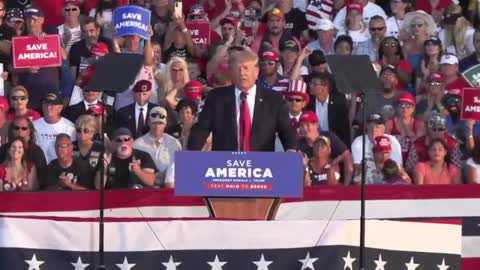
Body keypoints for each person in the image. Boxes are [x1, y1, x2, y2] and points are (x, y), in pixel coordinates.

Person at [188, 46, 297, 151]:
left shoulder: (273, 99)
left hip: (261, 165)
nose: (242, 73)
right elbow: (201, 129)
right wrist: (192, 152)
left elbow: (286, 130)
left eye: (246, 68)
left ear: (256, 72)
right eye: (237, 69)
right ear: (230, 72)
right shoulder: (216, 97)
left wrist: (291, 149)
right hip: (225, 165)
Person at [298, 111, 354, 185]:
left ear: (317, 125)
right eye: (302, 125)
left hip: (332, 181)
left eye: (308, 125)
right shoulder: (298, 145)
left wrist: (346, 187)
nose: (304, 128)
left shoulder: (330, 137)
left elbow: (347, 156)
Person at [134, 106, 181, 187]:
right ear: (149, 123)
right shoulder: (138, 144)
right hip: (146, 187)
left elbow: (178, 168)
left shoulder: (174, 143)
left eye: (160, 123)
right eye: (154, 123)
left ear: (165, 124)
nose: (157, 127)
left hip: (169, 186)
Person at [305, 72, 351, 147]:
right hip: (313, 143)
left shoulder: (338, 103)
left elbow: (344, 130)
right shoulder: (309, 102)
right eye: (311, 83)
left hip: (333, 143)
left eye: (314, 84)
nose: (310, 85)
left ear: (325, 87)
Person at [0, 116, 47, 187]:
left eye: (24, 128)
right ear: (11, 130)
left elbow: (43, 179)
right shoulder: (3, 149)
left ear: (29, 131)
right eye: (16, 128)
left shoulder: (36, 151)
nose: (20, 131)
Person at [33, 92, 76, 163]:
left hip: (59, 168)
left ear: (60, 107)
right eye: (46, 104)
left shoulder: (70, 128)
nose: (48, 107)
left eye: (52, 105)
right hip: (38, 166)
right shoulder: (33, 126)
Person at [386, 92, 426, 163]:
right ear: (397, 108)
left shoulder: (419, 124)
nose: (404, 109)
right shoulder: (390, 123)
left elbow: (419, 146)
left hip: (412, 161)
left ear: (413, 108)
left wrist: (407, 128)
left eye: (408, 106)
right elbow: (385, 145)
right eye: (402, 106)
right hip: (393, 159)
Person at [73, 115, 103, 183]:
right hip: (72, 189)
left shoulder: (99, 148)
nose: (81, 133)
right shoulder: (71, 146)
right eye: (79, 130)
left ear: (92, 132)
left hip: (93, 190)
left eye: (86, 130)